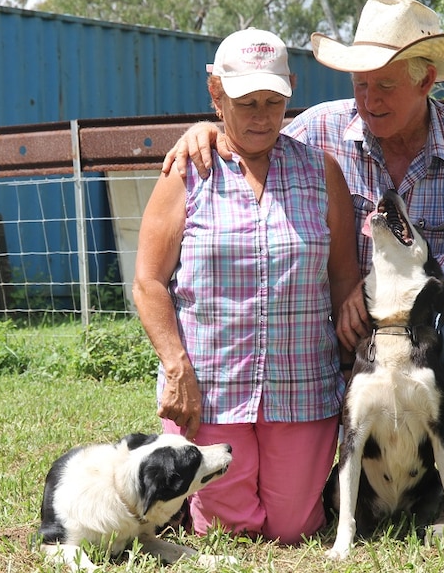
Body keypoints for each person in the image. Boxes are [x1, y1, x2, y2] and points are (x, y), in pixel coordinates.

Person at [163, 0, 444, 533]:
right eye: (360, 85)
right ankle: (343, 471)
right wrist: (207, 130)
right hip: (343, 325)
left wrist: (393, 295)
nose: (369, 100)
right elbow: (256, 138)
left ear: (426, 84)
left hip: (431, 316)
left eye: (386, 87)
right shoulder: (318, 131)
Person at [132, 27, 361, 545]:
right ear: (216, 93)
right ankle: (174, 493)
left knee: (292, 529)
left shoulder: (320, 172)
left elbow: (344, 277)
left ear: (291, 91)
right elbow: (148, 281)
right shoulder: (187, 173)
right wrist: (175, 366)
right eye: (246, 102)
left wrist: (353, 367)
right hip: (208, 390)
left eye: (273, 101)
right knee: (230, 529)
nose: (261, 116)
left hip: (300, 388)